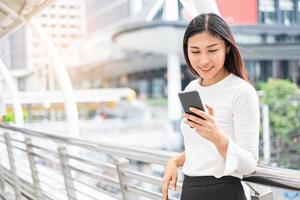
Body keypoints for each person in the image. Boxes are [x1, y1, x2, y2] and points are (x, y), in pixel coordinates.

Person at [162, 13, 260, 200]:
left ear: (227, 48)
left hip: (224, 191)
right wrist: (175, 160)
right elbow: (200, 148)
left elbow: (249, 164)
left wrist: (216, 135)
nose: (204, 60)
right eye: (195, 51)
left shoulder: (242, 91)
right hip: (190, 189)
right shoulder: (192, 88)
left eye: (212, 50)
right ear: (186, 51)